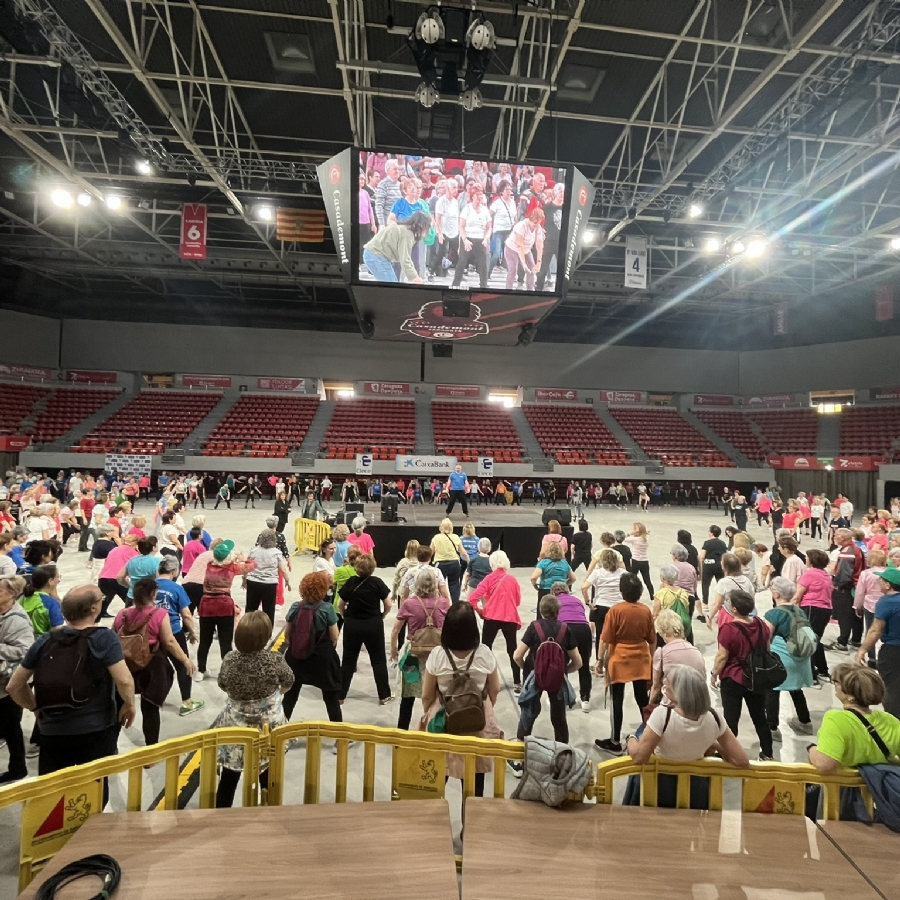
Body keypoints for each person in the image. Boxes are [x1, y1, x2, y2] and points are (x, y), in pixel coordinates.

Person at [7, 585, 135, 803]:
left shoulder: (46, 640)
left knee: (54, 795)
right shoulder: (104, 638)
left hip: (52, 731)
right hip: (94, 729)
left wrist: (35, 708)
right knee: (93, 792)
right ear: (95, 607)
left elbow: (14, 686)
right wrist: (130, 705)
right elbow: (123, 679)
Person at [623, 665, 749, 808]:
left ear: (679, 691)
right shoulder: (715, 717)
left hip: (660, 784)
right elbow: (742, 760)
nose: (665, 683)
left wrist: (631, 739)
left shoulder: (662, 715)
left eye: (668, 682)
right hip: (696, 787)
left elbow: (639, 756)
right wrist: (715, 745)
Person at [420, 602, 502, 795]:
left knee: (435, 779)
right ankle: (471, 821)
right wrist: (484, 708)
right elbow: (495, 689)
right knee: (475, 782)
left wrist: (429, 713)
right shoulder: (484, 653)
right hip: (477, 721)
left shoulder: (438, 655)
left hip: (444, 717)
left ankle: (436, 821)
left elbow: (426, 694)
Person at [216, 611, 294, 807]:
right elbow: (288, 681)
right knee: (268, 772)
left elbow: (222, 684)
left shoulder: (230, 659)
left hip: (237, 724)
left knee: (229, 776)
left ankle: (221, 813)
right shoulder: (274, 660)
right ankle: (269, 808)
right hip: (267, 725)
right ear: (266, 637)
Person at [113, 576, 194, 748]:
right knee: (149, 708)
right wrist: (185, 660)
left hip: (126, 664)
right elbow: (169, 641)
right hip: (150, 665)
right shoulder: (159, 614)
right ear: (153, 594)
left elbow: (115, 636)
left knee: (119, 705)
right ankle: (151, 750)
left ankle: (110, 745)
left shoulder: (123, 614)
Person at [710, 590, 775, 761]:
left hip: (734, 678)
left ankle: (728, 753)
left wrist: (714, 673)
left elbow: (722, 656)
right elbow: (767, 649)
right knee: (760, 716)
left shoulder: (729, 629)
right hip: (757, 677)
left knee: (731, 719)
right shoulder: (761, 624)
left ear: (734, 609)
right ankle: (767, 753)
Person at [594, 573, 655, 755]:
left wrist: (599, 660)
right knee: (643, 699)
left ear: (621, 591)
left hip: (619, 660)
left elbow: (605, 639)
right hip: (641, 660)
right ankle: (649, 735)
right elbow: (652, 639)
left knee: (616, 701)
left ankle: (614, 740)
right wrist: (651, 661)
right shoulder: (646, 610)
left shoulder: (615, 611)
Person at [513, 593, 581, 748]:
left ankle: (518, 755)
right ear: (558, 611)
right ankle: (562, 754)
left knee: (528, 713)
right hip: (557, 678)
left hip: (534, 675)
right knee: (559, 717)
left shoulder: (534, 627)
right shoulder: (565, 629)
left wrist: (529, 669)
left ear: (541, 610)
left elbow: (517, 656)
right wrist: (562, 671)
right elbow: (578, 662)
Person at [808, 664, 900, 774]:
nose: (835, 685)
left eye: (837, 682)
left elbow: (825, 764)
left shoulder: (836, 720)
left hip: (843, 789)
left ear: (850, 694)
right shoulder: (890, 720)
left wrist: (811, 750)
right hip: (880, 789)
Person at [390, 567, 450, 730]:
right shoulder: (444, 603)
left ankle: (402, 732)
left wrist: (394, 650)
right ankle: (435, 729)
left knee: (407, 696)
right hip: (438, 656)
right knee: (438, 696)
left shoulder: (409, 603)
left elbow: (396, 629)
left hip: (414, 654)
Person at [281, 572, 342, 727]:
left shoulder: (295, 607)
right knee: (330, 698)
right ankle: (339, 738)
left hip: (296, 659)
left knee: (290, 698)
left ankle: (278, 733)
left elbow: (287, 635)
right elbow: (334, 637)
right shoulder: (327, 609)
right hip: (321, 660)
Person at [195, 540, 256, 683]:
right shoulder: (232, 568)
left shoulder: (209, 565)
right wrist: (243, 559)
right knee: (226, 642)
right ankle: (228, 672)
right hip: (224, 605)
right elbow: (252, 566)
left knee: (204, 641)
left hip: (206, 605)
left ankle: (201, 670)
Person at [763, 576, 815, 742]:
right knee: (796, 690)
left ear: (776, 594)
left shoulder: (774, 613)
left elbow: (766, 638)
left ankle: (772, 728)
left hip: (782, 659)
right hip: (800, 659)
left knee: (772, 690)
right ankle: (805, 722)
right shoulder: (799, 610)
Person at [339, 553, 393, 704]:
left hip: (352, 624)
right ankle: (384, 695)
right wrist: (382, 615)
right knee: (378, 660)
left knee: (348, 660)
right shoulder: (377, 583)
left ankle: (341, 696)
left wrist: (345, 617)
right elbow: (388, 604)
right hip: (373, 624)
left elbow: (340, 604)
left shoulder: (351, 582)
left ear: (357, 568)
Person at [155, 557, 203, 717]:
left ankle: (155, 698)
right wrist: (192, 631)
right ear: (174, 571)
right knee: (183, 665)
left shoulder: (149, 586)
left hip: (152, 633)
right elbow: (186, 614)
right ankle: (187, 702)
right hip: (173, 632)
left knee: (157, 666)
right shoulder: (176, 588)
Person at [469, 549, 522, 693]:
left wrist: (481, 611)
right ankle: (517, 682)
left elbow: (472, 599)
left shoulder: (489, 579)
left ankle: (485, 680)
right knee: (512, 649)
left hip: (491, 617)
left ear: (492, 563)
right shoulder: (512, 580)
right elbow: (517, 601)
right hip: (509, 617)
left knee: (486, 649)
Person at [0, 574, 33, 783]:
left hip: (7, 685)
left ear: (12, 595)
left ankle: (18, 768)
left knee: (11, 728)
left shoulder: (18, 620)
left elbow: (26, 650)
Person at [854, 566, 900, 717]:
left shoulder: (886, 602)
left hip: (893, 651)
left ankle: (895, 724)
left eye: (881, 579)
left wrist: (863, 650)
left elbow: (875, 630)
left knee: (892, 689)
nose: (878, 581)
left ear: (888, 585)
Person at [550, 581, 592, 712]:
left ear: (553, 593)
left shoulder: (554, 601)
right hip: (584, 630)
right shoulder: (577, 600)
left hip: (565, 629)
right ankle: (585, 700)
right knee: (584, 665)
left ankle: (563, 697)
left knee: (561, 664)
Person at [792, 548, 833, 684]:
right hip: (825, 609)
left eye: (807, 557)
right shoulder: (825, 574)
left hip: (811, 608)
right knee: (816, 639)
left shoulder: (809, 574)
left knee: (807, 640)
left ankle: (812, 675)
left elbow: (798, 594)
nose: (805, 559)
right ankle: (823, 670)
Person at [649, 609, 705, 707]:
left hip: (672, 706)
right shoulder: (696, 651)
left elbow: (656, 687)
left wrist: (649, 706)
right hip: (695, 704)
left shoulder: (661, 653)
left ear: (663, 632)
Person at [244, 530, 291, 633]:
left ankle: (247, 629)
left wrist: (244, 579)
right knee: (269, 610)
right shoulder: (277, 553)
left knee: (250, 608)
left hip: (253, 582)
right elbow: (282, 569)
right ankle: (267, 632)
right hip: (269, 584)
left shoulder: (254, 550)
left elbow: (247, 566)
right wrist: (287, 581)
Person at [362, 212, 429, 283]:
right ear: (422, 226)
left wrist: (414, 276)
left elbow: (406, 258)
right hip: (375, 255)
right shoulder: (407, 234)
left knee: (390, 286)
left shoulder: (404, 229)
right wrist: (415, 277)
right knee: (391, 287)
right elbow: (405, 259)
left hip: (373, 254)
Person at [829, 528, 865, 652]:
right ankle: (856, 640)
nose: (834, 537)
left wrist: (837, 584)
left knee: (845, 615)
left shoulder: (846, 551)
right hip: (856, 587)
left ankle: (842, 642)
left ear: (843, 538)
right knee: (856, 615)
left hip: (846, 588)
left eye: (837, 535)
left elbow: (844, 573)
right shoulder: (856, 548)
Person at [450, 185, 491, 289]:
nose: (479, 198)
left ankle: (483, 286)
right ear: (472, 196)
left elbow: (489, 227)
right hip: (468, 238)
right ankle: (455, 285)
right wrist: (464, 240)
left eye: (481, 196)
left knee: (483, 264)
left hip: (481, 239)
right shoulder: (467, 208)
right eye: (477, 195)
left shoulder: (485, 210)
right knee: (462, 262)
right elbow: (461, 226)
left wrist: (486, 238)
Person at [854, 547, 887, 667]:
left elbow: (860, 592)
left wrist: (857, 606)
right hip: (887, 605)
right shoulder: (889, 573)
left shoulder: (865, 574)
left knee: (870, 630)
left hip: (870, 605)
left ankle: (872, 657)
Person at [708, 553, 757, 628]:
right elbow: (751, 597)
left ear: (725, 567)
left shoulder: (724, 582)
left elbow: (717, 604)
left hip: (729, 615)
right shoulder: (746, 580)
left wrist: (710, 617)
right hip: (744, 615)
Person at [503, 206, 544, 291]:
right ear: (530, 220)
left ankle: (530, 290)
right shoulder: (521, 225)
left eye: (536, 225)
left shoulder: (538, 228)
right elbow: (519, 245)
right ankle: (508, 290)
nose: (534, 227)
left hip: (526, 250)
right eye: (533, 225)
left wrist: (539, 262)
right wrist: (523, 263)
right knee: (513, 270)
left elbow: (539, 245)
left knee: (532, 269)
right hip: (512, 249)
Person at [430, 518, 468, 604]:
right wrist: (469, 561)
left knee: (438, 586)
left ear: (441, 527)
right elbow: (463, 552)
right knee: (454, 585)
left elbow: (430, 551)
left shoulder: (436, 538)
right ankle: (455, 605)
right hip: (454, 564)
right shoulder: (456, 537)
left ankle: (440, 605)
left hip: (440, 564)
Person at [652, 565, 693, 644]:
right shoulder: (683, 592)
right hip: (679, 627)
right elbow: (686, 611)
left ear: (662, 578)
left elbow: (655, 614)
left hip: (665, 628)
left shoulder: (661, 594)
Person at [697, 525, 727, 622]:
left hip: (709, 565)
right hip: (719, 565)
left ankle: (705, 603)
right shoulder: (722, 543)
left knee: (705, 584)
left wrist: (701, 568)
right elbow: (725, 555)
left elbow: (702, 556)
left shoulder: (707, 543)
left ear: (711, 533)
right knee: (721, 585)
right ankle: (720, 603)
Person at [670, 543, 698, 617]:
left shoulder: (672, 567)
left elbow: (667, 583)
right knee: (687, 622)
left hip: (676, 597)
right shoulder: (691, 567)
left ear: (675, 556)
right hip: (690, 597)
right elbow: (695, 585)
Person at [624, 523, 653, 595]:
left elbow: (625, 538)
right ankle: (652, 596)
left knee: (632, 579)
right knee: (647, 580)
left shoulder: (634, 539)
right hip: (645, 561)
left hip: (635, 561)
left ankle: (631, 594)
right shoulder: (646, 539)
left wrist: (631, 533)